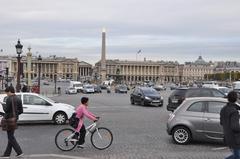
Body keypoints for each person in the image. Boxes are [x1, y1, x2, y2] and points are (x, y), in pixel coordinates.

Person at [1, 86, 24, 158]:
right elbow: (21, 111)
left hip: (9, 120)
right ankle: (7, 154)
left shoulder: (9, 99)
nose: (7, 94)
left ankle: (19, 152)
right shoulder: (18, 98)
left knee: (11, 137)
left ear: (10, 91)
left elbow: (6, 110)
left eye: (7, 93)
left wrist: (3, 105)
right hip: (15, 119)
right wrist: (15, 116)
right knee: (10, 136)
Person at [220, 91, 240, 159]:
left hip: (227, 136)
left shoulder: (223, 109)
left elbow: (221, 122)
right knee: (237, 156)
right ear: (236, 99)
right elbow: (235, 127)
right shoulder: (234, 112)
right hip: (235, 139)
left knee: (237, 156)